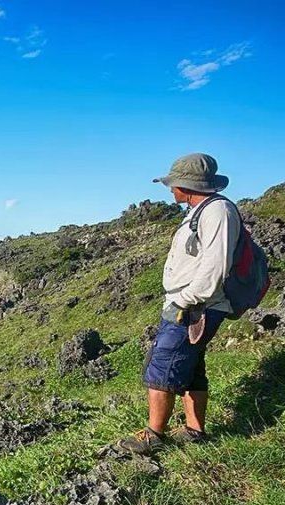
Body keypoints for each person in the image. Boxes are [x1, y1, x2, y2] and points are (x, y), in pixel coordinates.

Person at [119, 153, 241, 455]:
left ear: (187, 185)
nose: (170, 189)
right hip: (193, 303)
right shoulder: (200, 211)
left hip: (195, 306)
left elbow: (214, 266)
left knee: (163, 363)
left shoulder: (218, 213)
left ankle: (154, 435)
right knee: (191, 367)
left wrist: (184, 302)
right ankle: (194, 430)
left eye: (173, 184)